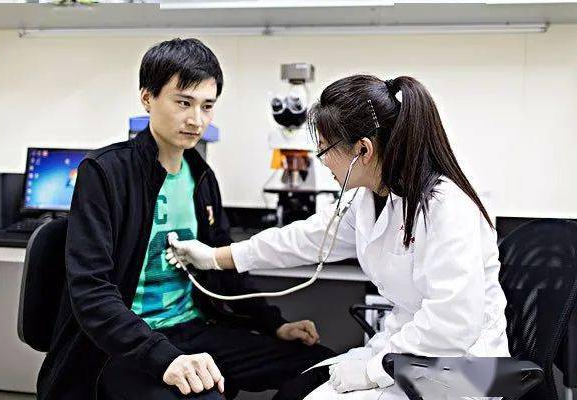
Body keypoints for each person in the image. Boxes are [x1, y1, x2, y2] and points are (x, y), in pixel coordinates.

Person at [167, 74, 511, 399]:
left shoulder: (446, 206)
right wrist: (215, 257)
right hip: (404, 352)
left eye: (324, 150)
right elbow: (306, 238)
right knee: (296, 390)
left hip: (458, 371)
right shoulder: (372, 198)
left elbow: (453, 323)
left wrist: (373, 370)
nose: (323, 162)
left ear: (363, 150)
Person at [37, 38, 335, 400]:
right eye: (183, 103)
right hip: (125, 345)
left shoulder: (202, 178)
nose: (197, 120)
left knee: (324, 369)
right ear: (147, 98)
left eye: (207, 106)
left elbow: (224, 273)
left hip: (193, 329)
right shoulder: (105, 172)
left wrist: (275, 324)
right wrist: (164, 357)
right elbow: (91, 291)